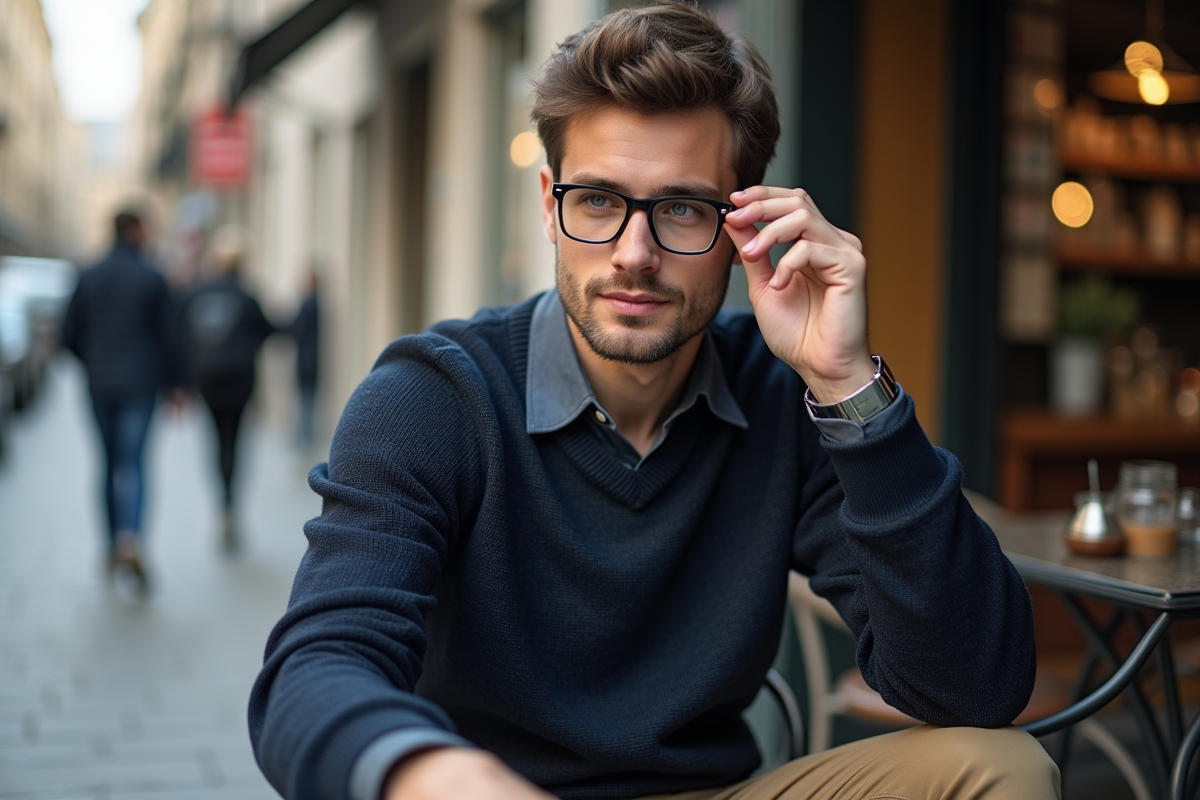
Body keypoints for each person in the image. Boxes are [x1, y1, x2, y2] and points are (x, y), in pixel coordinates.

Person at [249, 4, 1058, 800]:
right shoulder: (433, 398)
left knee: (1005, 765)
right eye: (597, 201)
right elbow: (317, 665)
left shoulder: (786, 400)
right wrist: (432, 773)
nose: (634, 256)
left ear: (745, 227)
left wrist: (849, 386)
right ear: (547, 205)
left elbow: (976, 688)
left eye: (680, 209)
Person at [62, 208, 175, 593]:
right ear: (135, 230)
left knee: (107, 465)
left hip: (99, 385)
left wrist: (92, 362)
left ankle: (111, 545)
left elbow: (68, 335)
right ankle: (131, 538)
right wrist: (176, 385)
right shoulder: (152, 276)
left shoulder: (88, 274)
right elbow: (168, 337)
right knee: (135, 464)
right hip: (140, 386)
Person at [179, 225, 275, 551]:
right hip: (240, 380)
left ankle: (221, 504)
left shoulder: (197, 293)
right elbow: (267, 331)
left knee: (214, 440)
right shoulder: (247, 295)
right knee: (235, 441)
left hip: (206, 381)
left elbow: (182, 335)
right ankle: (231, 505)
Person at [287, 269, 320, 451]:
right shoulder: (316, 303)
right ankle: (306, 437)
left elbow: (297, 330)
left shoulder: (309, 304)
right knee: (308, 400)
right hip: (311, 360)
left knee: (306, 400)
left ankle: (306, 439)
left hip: (307, 361)